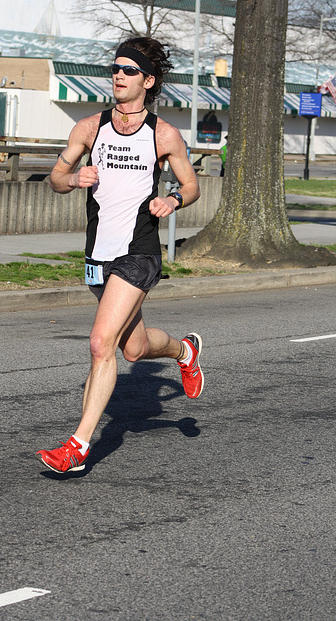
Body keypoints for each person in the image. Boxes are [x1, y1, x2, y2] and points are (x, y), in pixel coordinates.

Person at [35, 37, 204, 474]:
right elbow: (55, 177)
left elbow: (191, 186)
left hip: (139, 252)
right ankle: (185, 352)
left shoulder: (163, 134)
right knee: (134, 349)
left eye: (129, 70)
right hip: (98, 253)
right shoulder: (89, 127)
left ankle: (77, 447)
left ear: (147, 81)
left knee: (99, 343)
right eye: (115, 68)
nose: (118, 76)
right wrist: (73, 180)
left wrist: (173, 200)